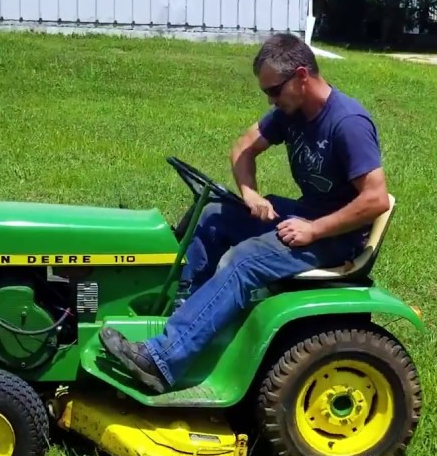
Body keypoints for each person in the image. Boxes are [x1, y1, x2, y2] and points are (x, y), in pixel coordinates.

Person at [99, 33, 391, 394]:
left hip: (336, 236)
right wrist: (250, 194)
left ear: (301, 76)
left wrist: (314, 230)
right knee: (213, 217)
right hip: (304, 214)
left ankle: (163, 361)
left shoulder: (347, 123)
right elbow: (243, 148)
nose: (270, 99)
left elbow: (375, 200)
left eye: (273, 91)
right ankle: (182, 316)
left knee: (246, 261)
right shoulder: (291, 111)